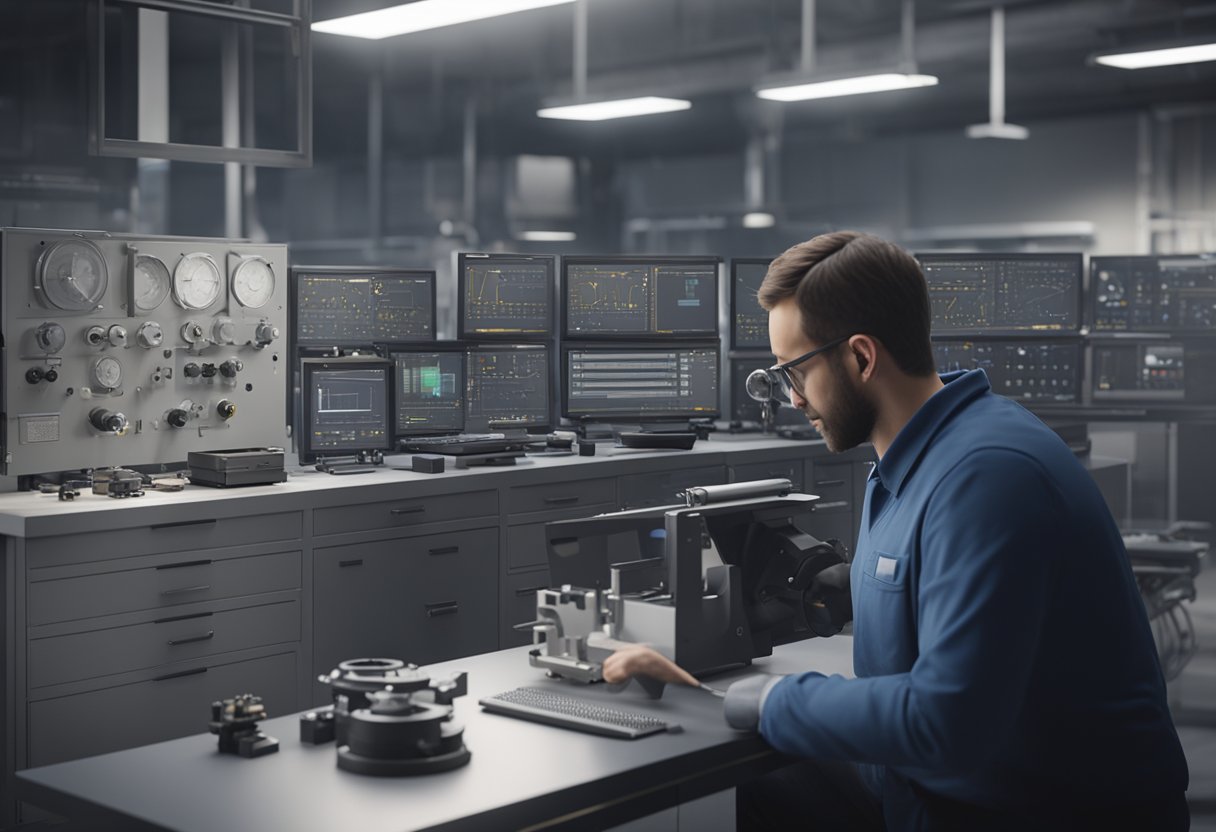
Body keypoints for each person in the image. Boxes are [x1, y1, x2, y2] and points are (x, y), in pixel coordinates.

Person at [602, 231, 1190, 830]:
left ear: (861, 356)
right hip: (926, 785)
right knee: (730, 790)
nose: (793, 399)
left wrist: (762, 699)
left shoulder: (989, 476)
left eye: (795, 372)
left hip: (1030, 810)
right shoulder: (915, 456)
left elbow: (947, 720)